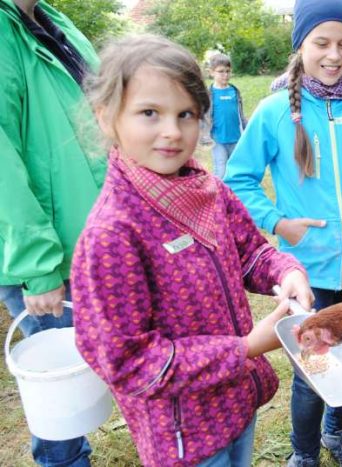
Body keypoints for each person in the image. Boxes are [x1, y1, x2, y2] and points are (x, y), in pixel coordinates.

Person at [70, 34, 314, 467]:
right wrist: (244, 349)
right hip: (183, 436)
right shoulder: (113, 234)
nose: (172, 131)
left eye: (186, 114)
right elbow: (130, 363)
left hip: (235, 403)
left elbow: (251, 252)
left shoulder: (206, 189)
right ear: (106, 118)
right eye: (150, 113)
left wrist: (285, 270)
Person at [225, 0, 342, 464]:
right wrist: (278, 223)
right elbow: (238, 179)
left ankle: (337, 434)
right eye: (321, 43)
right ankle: (303, 452)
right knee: (313, 369)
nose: (334, 54)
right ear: (300, 45)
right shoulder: (273, 112)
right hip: (308, 275)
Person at [0, 0, 105, 464]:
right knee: (59, 392)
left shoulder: (51, 20)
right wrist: (38, 268)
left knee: (83, 374)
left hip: (88, 239)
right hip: (42, 256)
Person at [208, 52, 246, 178]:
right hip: (218, 139)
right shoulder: (209, 94)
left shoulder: (234, 91)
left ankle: (233, 195)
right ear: (212, 72)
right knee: (221, 169)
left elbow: (241, 114)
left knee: (235, 169)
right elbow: (204, 117)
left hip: (235, 138)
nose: (225, 75)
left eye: (228, 71)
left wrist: (246, 130)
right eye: (221, 71)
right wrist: (204, 135)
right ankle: (219, 195)